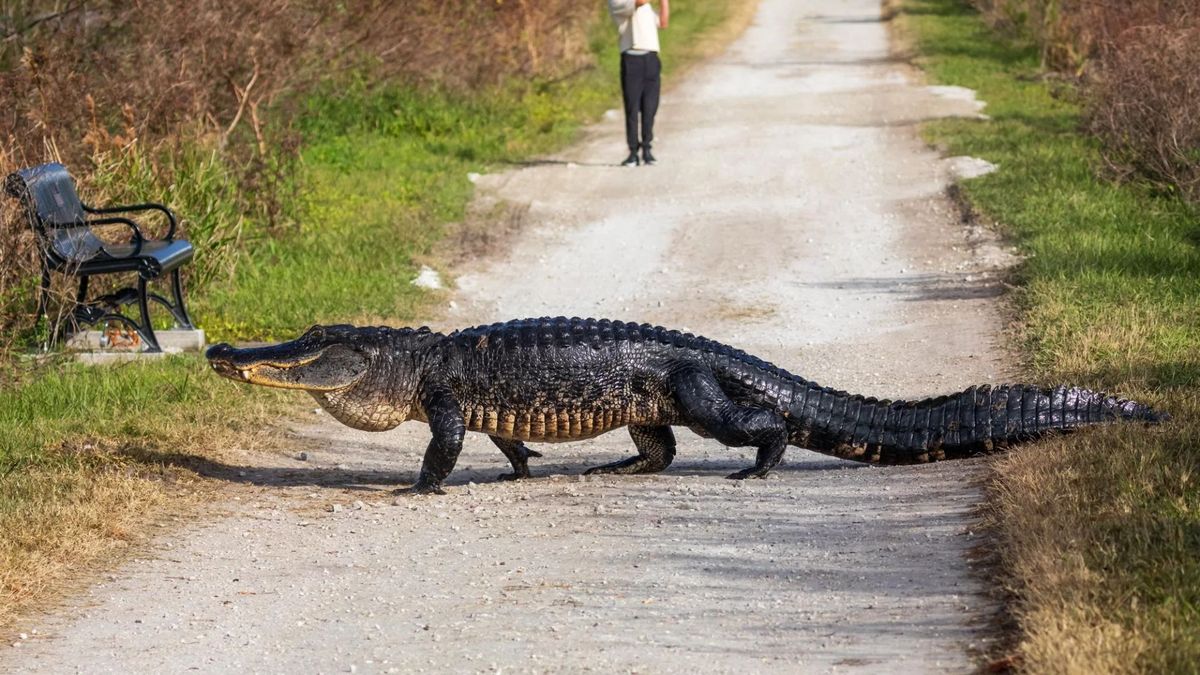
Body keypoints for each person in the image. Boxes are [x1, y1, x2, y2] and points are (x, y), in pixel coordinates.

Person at [608, 0, 669, 166]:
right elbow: (638, 2)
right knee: (632, 107)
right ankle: (633, 151)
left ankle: (647, 148)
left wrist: (664, 3)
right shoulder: (618, 2)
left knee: (650, 106)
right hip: (631, 58)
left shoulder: (647, 8)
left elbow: (663, 23)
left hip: (651, 57)